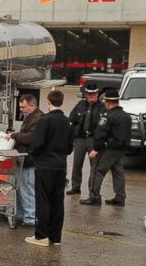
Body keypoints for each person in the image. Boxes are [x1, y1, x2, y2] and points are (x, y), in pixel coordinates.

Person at [26, 90, 73, 247]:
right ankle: (56, 237)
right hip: (60, 166)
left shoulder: (45, 120)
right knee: (58, 202)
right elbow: (70, 147)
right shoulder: (67, 121)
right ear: (61, 101)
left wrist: (33, 155)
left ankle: (41, 236)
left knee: (43, 200)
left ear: (48, 101)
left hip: (45, 165)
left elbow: (37, 143)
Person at [81, 89, 131, 207]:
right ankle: (120, 197)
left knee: (97, 171)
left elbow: (101, 133)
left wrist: (96, 149)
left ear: (108, 102)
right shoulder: (126, 116)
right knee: (118, 171)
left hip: (108, 149)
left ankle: (94, 197)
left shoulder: (107, 116)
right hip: (120, 149)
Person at [9, 94, 42, 226]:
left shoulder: (38, 118)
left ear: (32, 105)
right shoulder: (31, 116)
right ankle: (21, 214)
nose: (21, 110)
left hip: (29, 159)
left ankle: (30, 217)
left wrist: (14, 135)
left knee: (27, 189)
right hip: (24, 158)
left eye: (23, 107)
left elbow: (31, 138)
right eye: (20, 107)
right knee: (20, 188)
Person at [66, 82, 104, 195]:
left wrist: (99, 142)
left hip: (93, 140)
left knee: (94, 167)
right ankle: (75, 187)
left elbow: (103, 127)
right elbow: (71, 119)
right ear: (86, 95)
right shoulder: (80, 104)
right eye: (89, 94)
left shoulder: (102, 108)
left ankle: (93, 191)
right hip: (80, 139)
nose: (92, 97)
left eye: (94, 94)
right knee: (77, 165)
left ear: (97, 94)